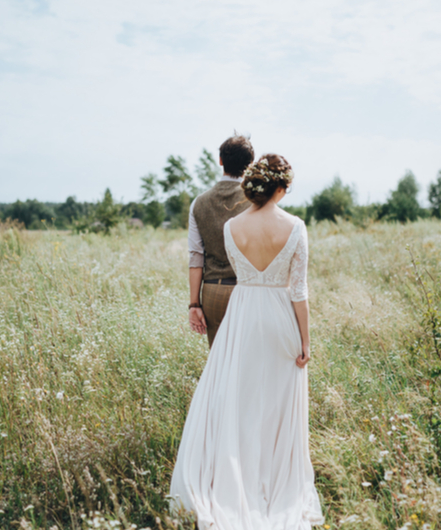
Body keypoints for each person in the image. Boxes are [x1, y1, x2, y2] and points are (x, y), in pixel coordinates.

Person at [170, 154, 324, 529]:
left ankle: (233, 474)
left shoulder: (232, 227)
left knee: (238, 399)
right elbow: (298, 291)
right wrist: (305, 340)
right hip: (278, 319)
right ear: (282, 187)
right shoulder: (296, 226)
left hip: (242, 316)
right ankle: (271, 480)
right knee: (275, 403)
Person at [188, 135, 254, 347]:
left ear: (220, 161)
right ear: (250, 164)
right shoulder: (255, 201)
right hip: (248, 290)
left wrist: (194, 304)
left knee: (219, 362)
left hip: (212, 292)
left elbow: (196, 257)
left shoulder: (198, 203)